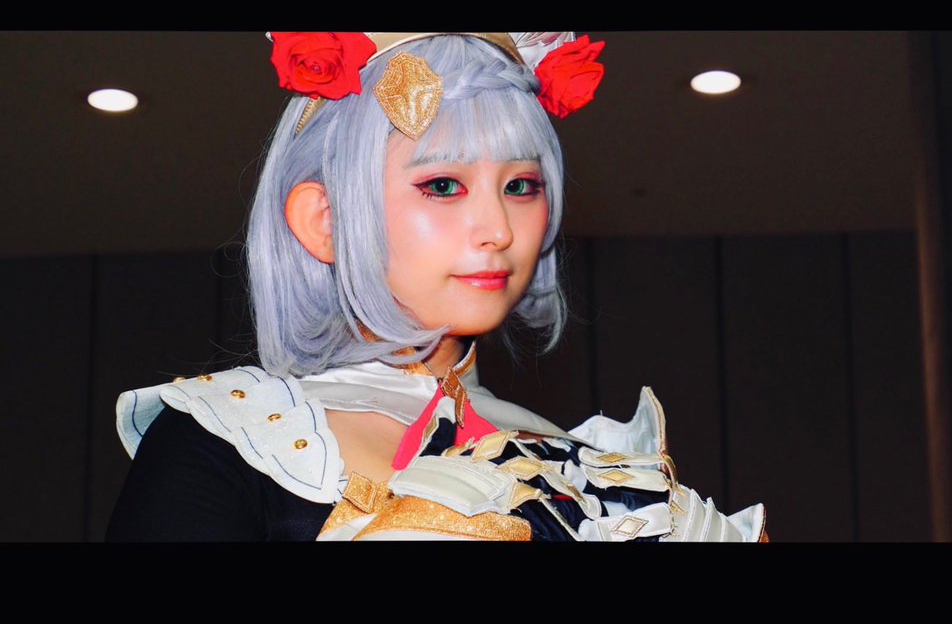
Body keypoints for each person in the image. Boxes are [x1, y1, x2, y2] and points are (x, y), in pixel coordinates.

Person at [106, 32, 767, 541]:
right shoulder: (228, 439)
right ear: (324, 220)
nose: (498, 229)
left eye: (522, 185)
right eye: (444, 185)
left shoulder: (601, 472)